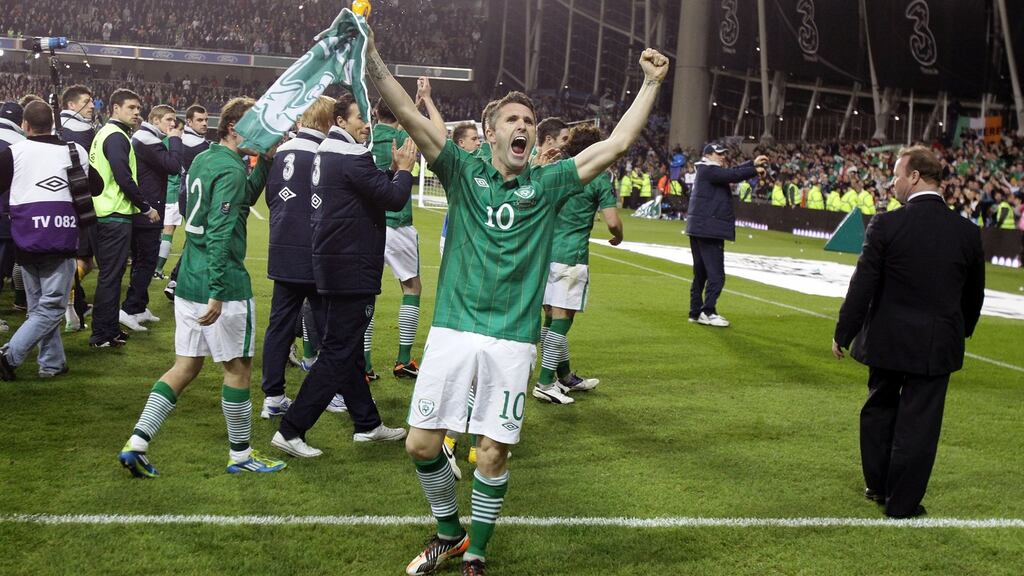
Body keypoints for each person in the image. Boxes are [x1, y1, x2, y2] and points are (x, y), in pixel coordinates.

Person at [366, 22, 669, 574]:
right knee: (420, 444)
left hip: (511, 338)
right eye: (513, 120)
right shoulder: (460, 171)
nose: (524, 126)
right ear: (491, 131)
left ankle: (476, 551)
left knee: (492, 452)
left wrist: (650, 84)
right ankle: (449, 532)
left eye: (529, 120)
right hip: (454, 327)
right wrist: (371, 54)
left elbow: (618, 143)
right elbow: (408, 114)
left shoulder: (550, 183)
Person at [117, 97, 286, 477]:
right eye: (254, 126)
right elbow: (222, 231)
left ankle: (137, 442)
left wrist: (269, 158)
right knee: (238, 369)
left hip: (190, 276)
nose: (261, 133)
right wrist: (218, 288)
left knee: (185, 365)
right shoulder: (229, 170)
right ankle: (241, 455)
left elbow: (241, 200)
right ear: (232, 128)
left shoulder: (208, 159)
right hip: (219, 281)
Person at [832, 145, 985, 519]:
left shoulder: (886, 224)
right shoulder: (966, 232)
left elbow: (862, 285)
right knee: (920, 424)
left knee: (879, 408)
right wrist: (959, 329)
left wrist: (844, 331)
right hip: (936, 343)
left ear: (915, 176)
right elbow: (974, 293)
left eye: (897, 176)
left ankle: (878, 485)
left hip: (887, 338)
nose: (893, 183)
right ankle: (902, 504)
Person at [271, 92, 415, 458]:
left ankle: (367, 423)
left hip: (331, 262)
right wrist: (403, 171)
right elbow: (393, 198)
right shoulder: (350, 154)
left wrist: (389, 174)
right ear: (340, 121)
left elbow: (362, 188)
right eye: (358, 117)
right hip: (351, 266)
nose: (365, 124)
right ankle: (291, 429)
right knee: (338, 351)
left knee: (346, 348)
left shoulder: (328, 152)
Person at [0, 101, 102, 380]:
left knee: (39, 308)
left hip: (26, 238)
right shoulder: (74, 151)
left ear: (25, 125)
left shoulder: (13, 152)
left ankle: (52, 363)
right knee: (51, 308)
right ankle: (9, 355)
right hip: (61, 236)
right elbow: (97, 186)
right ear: (53, 124)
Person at [533, 123, 623, 404]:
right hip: (570, 256)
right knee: (562, 319)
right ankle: (545, 382)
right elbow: (612, 222)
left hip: (543, 252)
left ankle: (564, 376)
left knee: (550, 317)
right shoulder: (598, 177)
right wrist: (618, 236)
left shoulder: (558, 170)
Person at [259, 95, 334, 420]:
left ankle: (273, 397)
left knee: (280, 325)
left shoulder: (283, 150)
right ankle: (335, 394)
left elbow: (272, 197)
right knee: (331, 328)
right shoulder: (325, 152)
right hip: (315, 252)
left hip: (283, 249)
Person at [88, 89, 160, 348]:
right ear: (115, 108)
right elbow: (123, 177)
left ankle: (109, 330)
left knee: (113, 275)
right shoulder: (116, 137)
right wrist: (145, 207)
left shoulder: (106, 134)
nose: (136, 112)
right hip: (114, 215)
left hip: (107, 213)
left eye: (138, 107)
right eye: (131, 107)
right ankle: (100, 334)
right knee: (110, 277)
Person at [685, 143, 768, 327]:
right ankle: (708, 311)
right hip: (709, 229)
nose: (722, 156)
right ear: (708, 155)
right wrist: (754, 169)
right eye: (718, 153)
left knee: (700, 273)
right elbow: (733, 175)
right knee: (716, 275)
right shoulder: (708, 170)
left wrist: (751, 163)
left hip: (699, 227)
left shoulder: (706, 170)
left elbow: (731, 172)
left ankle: (695, 312)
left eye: (723, 153)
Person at [121, 104, 183, 331]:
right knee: (146, 260)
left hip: (144, 207)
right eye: (168, 119)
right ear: (155, 120)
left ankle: (139, 306)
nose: (172, 124)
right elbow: (174, 166)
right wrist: (175, 139)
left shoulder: (145, 137)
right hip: (148, 209)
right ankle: (129, 309)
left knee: (141, 260)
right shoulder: (147, 139)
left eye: (174, 121)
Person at [58, 85, 98, 332]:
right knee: (83, 259)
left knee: (74, 258)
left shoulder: (59, 128)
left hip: (60, 201)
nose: (92, 105)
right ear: (71, 105)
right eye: (86, 101)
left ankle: (76, 304)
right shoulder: (80, 132)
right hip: (79, 201)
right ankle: (67, 302)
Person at [163, 105, 211, 298]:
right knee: (198, 239)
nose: (205, 123)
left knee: (194, 239)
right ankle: (176, 280)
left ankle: (176, 280)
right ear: (189, 122)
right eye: (200, 120)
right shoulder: (200, 145)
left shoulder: (180, 141)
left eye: (206, 119)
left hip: (182, 195)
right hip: (194, 198)